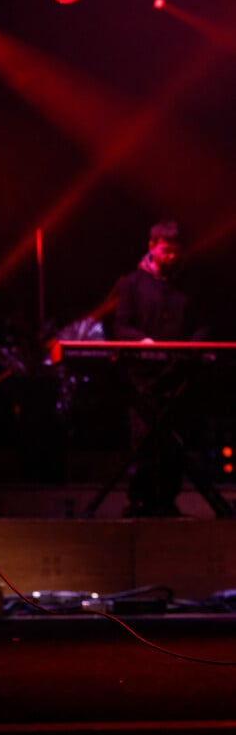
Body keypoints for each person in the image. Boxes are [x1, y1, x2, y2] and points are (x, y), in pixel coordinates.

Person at [112, 219, 208, 517]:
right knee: (144, 441)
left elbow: (201, 324)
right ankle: (140, 499)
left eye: (176, 251)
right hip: (144, 378)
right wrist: (144, 341)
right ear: (152, 247)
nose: (172, 257)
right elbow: (120, 326)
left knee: (174, 443)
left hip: (177, 376)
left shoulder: (186, 286)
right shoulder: (131, 284)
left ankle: (167, 500)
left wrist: (193, 347)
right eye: (166, 251)